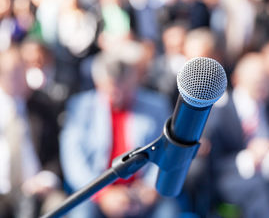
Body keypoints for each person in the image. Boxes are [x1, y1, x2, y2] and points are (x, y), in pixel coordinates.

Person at [60, 42, 177, 218]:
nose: (118, 95)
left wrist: (150, 189)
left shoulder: (157, 106)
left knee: (169, 212)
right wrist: (102, 194)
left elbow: (167, 153)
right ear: (98, 83)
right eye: (111, 90)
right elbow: (74, 161)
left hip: (142, 192)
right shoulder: (81, 107)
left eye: (124, 88)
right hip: (97, 191)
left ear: (134, 81)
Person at [205, 53, 269, 218]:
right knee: (261, 189)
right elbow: (213, 162)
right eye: (257, 81)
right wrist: (248, 157)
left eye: (267, 79)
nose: (263, 85)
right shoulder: (220, 112)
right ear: (238, 79)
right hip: (232, 178)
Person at [0, 46, 60, 218]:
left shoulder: (42, 107)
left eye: (21, 71)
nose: (18, 78)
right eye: (12, 73)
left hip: (37, 188)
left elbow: (54, 154)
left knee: (60, 205)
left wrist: (46, 179)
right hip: (2, 189)